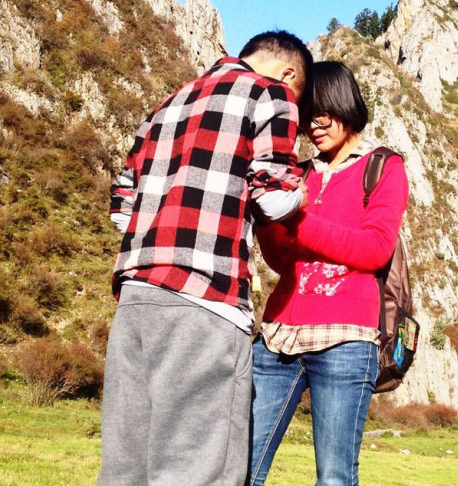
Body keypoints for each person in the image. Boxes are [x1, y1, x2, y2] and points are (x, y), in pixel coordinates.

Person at [98, 31, 313, 486]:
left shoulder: (169, 102)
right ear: (289, 74)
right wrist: (303, 195)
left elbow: (121, 208)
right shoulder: (270, 94)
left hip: (136, 296)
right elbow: (273, 198)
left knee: (125, 467)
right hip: (206, 297)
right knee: (198, 468)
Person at [249, 61, 410, 485]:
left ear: (344, 104)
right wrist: (266, 219)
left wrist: (296, 218)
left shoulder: (384, 166)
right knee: (241, 467)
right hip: (278, 336)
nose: (313, 127)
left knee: (335, 478)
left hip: (346, 338)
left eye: (322, 114)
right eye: (306, 117)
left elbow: (374, 249)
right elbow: (283, 261)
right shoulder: (299, 173)